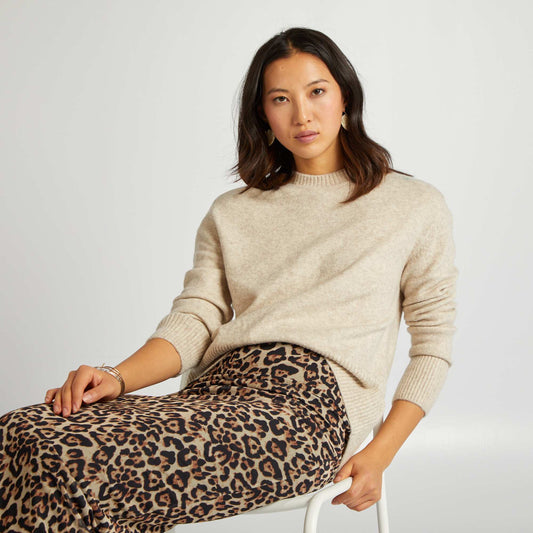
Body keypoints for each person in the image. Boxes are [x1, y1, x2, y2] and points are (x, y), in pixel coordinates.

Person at [0, 26, 458, 531]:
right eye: (280, 99)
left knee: (71, 460)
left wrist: (380, 453)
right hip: (215, 392)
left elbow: (432, 347)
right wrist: (118, 377)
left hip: (310, 412)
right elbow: (195, 320)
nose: (302, 115)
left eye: (317, 92)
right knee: (19, 432)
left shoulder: (412, 205)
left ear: (345, 96)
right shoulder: (233, 211)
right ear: (263, 114)